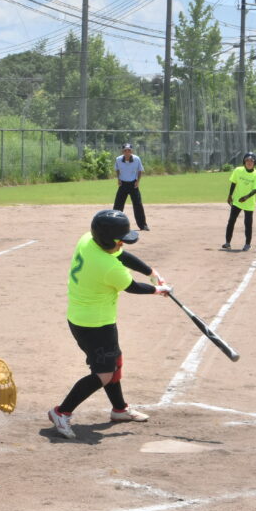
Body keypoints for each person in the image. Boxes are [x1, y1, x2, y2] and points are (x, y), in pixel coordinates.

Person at [48, 210, 172, 440]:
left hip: (87, 318)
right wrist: (158, 289)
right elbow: (133, 286)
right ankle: (61, 412)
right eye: (121, 240)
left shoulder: (88, 240)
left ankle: (119, 410)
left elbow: (120, 254)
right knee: (104, 373)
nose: (123, 244)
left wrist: (151, 272)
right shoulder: (108, 267)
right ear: (109, 240)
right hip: (93, 324)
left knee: (115, 361)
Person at [223, 152, 256, 251]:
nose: (249, 163)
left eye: (251, 161)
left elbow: (255, 189)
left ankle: (247, 244)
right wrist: (230, 195)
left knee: (248, 223)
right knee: (231, 221)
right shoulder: (238, 170)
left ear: (254, 163)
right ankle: (227, 243)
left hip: (249, 203)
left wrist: (246, 197)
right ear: (244, 162)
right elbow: (234, 183)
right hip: (237, 201)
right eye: (247, 161)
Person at [113, 143, 149, 231]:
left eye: (129, 150)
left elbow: (140, 170)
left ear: (131, 151)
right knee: (118, 205)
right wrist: (118, 179)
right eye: (125, 150)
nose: (127, 152)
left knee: (138, 205)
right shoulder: (118, 159)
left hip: (133, 184)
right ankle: (113, 224)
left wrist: (138, 181)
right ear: (123, 151)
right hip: (123, 184)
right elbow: (117, 169)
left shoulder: (137, 159)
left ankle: (143, 225)